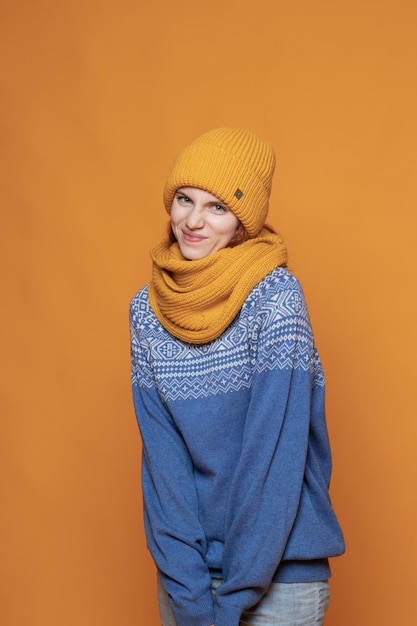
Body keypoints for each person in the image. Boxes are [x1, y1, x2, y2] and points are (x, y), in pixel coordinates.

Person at [130, 127, 345, 626]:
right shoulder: (147, 310)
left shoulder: (275, 298)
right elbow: (163, 463)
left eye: (218, 208)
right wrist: (187, 590)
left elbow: (274, 458)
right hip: (186, 580)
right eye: (185, 200)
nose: (193, 221)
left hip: (279, 579)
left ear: (243, 223)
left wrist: (235, 595)